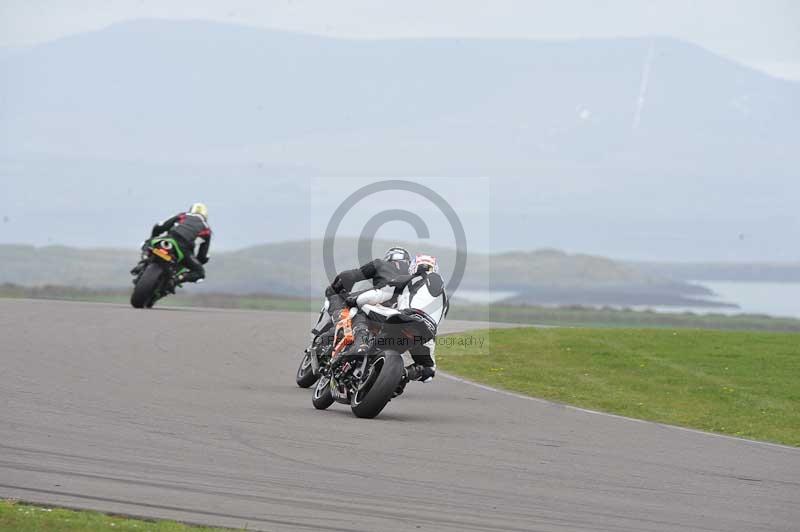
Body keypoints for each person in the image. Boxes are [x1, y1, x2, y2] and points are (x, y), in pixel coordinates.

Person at [359, 253, 449, 396]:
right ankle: (403, 375)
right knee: (429, 371)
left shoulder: (410, 278)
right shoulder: (445, 298)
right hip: (426, 333)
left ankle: (361, 346)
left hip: (404, 319)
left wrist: (356, 299)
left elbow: (381, 293)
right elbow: (437, 324)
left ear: (414, 267)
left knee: (361, 309)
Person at [323, 247, 414, 353]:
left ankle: (340, 331)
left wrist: (336, 287)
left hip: (375, 300)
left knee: (335, 298)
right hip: (397, 316)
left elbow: (352, 275)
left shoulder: (380, 264)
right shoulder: (412, 278)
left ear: (389, 258)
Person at [131, 203, 212, 286]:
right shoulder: (207, 230)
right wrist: (198, 261)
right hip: (183, 249)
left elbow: (159, 226)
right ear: (205, 215)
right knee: (200, 273)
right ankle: (177, 279)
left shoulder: (183, 215)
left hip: (167, 240)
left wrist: (153, 237)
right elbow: (202, 256)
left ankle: (142, 262)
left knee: (147, 243)